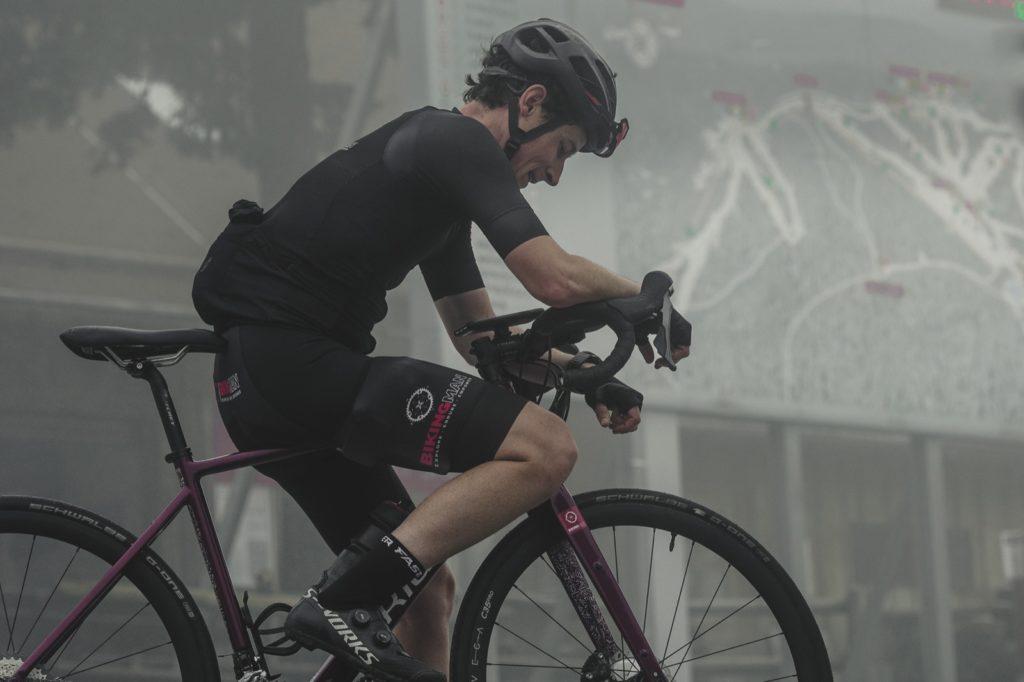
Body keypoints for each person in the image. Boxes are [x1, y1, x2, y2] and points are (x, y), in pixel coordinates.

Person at [192, 18, 691, 681]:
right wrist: (645, 295)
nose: (555, 174)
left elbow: (481, 340)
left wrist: (583, 374)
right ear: (530, 103)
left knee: (425, 595)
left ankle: (352, 598)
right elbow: (552, 278)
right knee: (545, 448)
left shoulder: (439, 175)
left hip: (270, 380)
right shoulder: (453, 142)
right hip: (292, 367)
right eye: (564, 148)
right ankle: (343, 599)